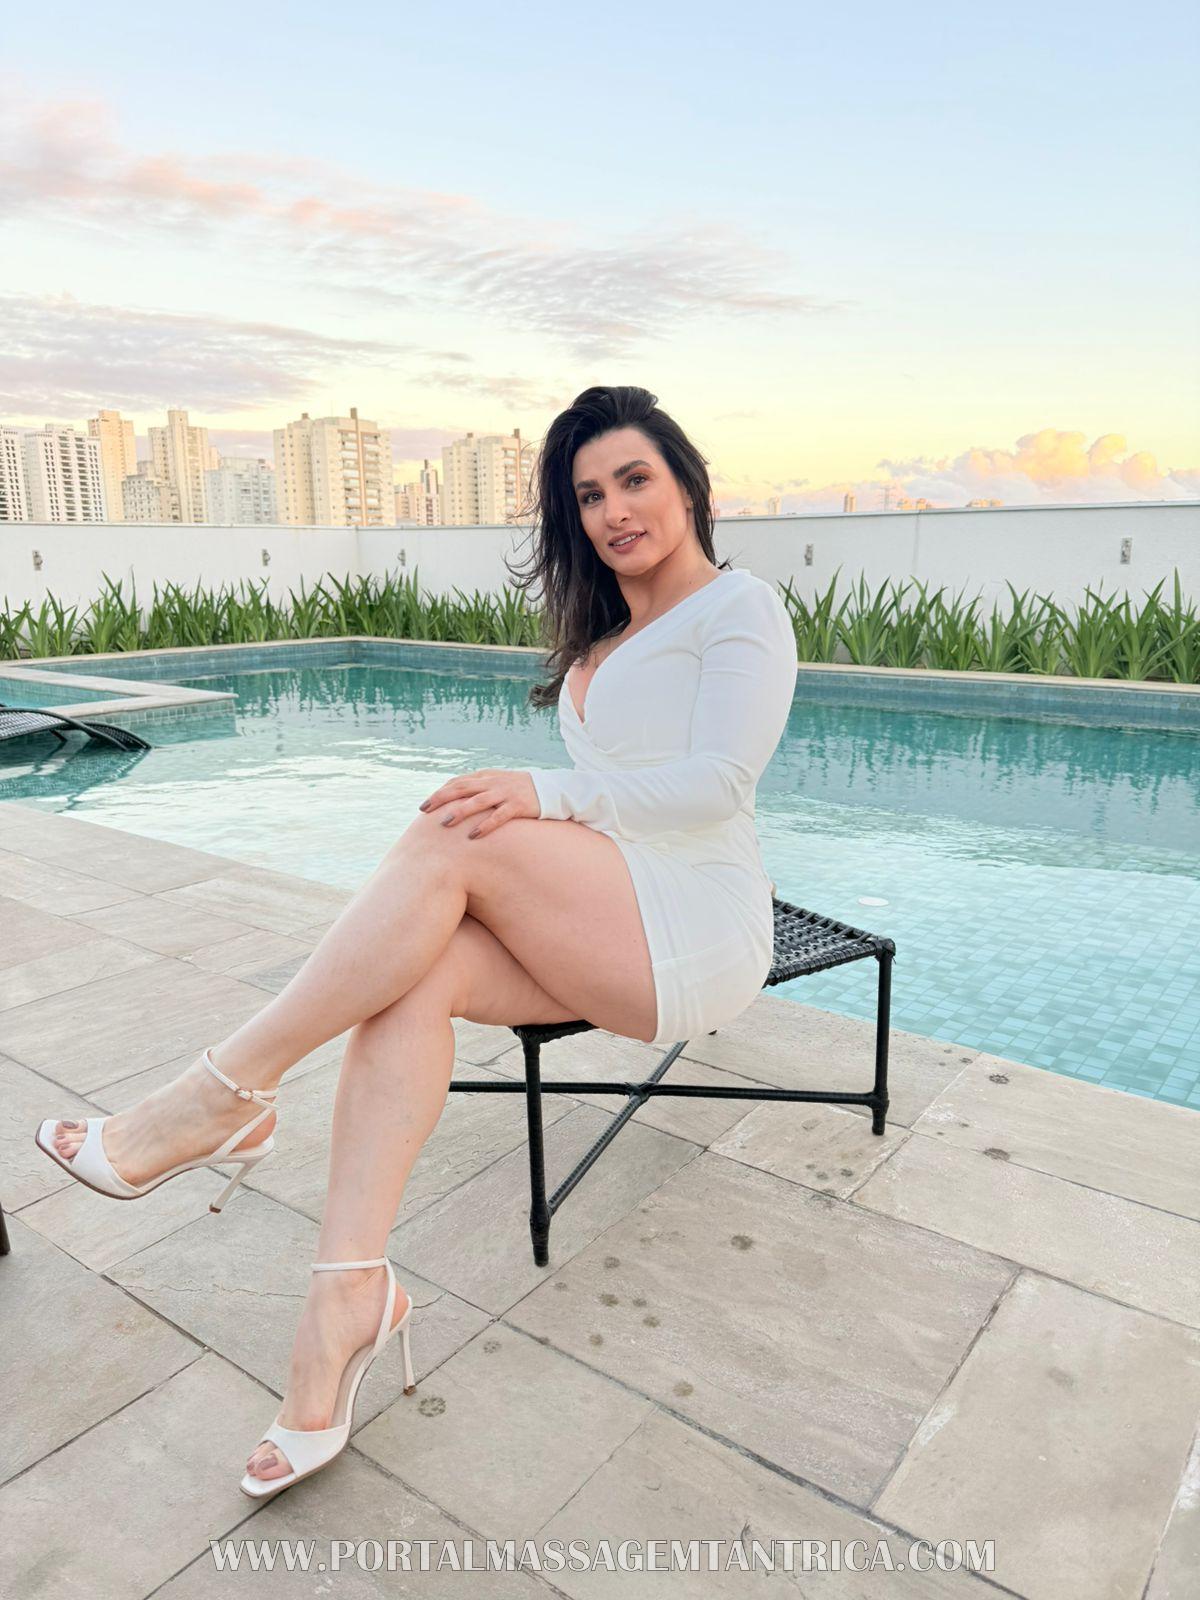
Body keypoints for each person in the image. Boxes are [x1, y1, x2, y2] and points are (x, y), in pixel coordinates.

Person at [33, 383, 799, 1498]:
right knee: (411, 979)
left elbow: (718, 783)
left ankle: (218, 1095)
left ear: (686, 482)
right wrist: (548, 805)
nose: (613, 511)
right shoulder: (610, 633)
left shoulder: (741, 608)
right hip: (608, 912)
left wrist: (543, 791)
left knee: (457, 833)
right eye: (588, 495)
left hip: (697, 924)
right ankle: (347, 1299)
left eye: (634, 479)